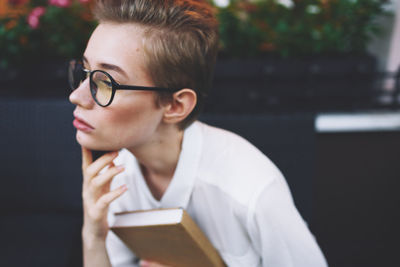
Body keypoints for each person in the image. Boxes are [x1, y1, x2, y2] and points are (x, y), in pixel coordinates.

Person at [68, 0, 328, 266]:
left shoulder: (251, 190)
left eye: (106, 82)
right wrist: (93, 235)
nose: (76, 96)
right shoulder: (117, 178)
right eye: (85, 72)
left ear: (175, 105)